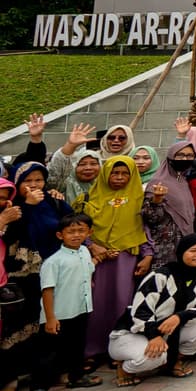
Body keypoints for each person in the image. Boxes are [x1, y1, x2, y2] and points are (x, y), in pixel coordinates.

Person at [109, 233, 196, 383]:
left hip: (170, 331)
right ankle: (125, 368)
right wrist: (154, 336)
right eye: (193, 250)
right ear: (181, 252)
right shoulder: (161, 275)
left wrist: (178, 317)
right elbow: (140, 311)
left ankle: (173, 361)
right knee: (154, 358)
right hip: (132, 333)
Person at [81, 153, 151, 361]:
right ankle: (93, 349)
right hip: (98, 261)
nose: (120, 177)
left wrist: (147, 256)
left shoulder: (139, 200)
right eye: (114, 173)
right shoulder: (90, 199)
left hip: (126, 259)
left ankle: (118, 350)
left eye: (124, 173)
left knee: (122, 303)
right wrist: (92, 246)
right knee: (96, 305)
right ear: (105, 175)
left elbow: (144, 230)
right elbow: (79, 229)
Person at [28, 214, 100, 391]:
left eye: (81, 231)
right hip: (59, 314)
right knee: (48, 351)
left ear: (89, 232)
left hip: (81, 309)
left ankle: (76, 377)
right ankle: (38, 388)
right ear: (60, 235)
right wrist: (50, 318)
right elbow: (47, 290)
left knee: (77, 346)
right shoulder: (53, 262)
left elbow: (87, 270)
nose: (76, 235)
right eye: (71, 232)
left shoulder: (85, 251)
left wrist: (98, 260)